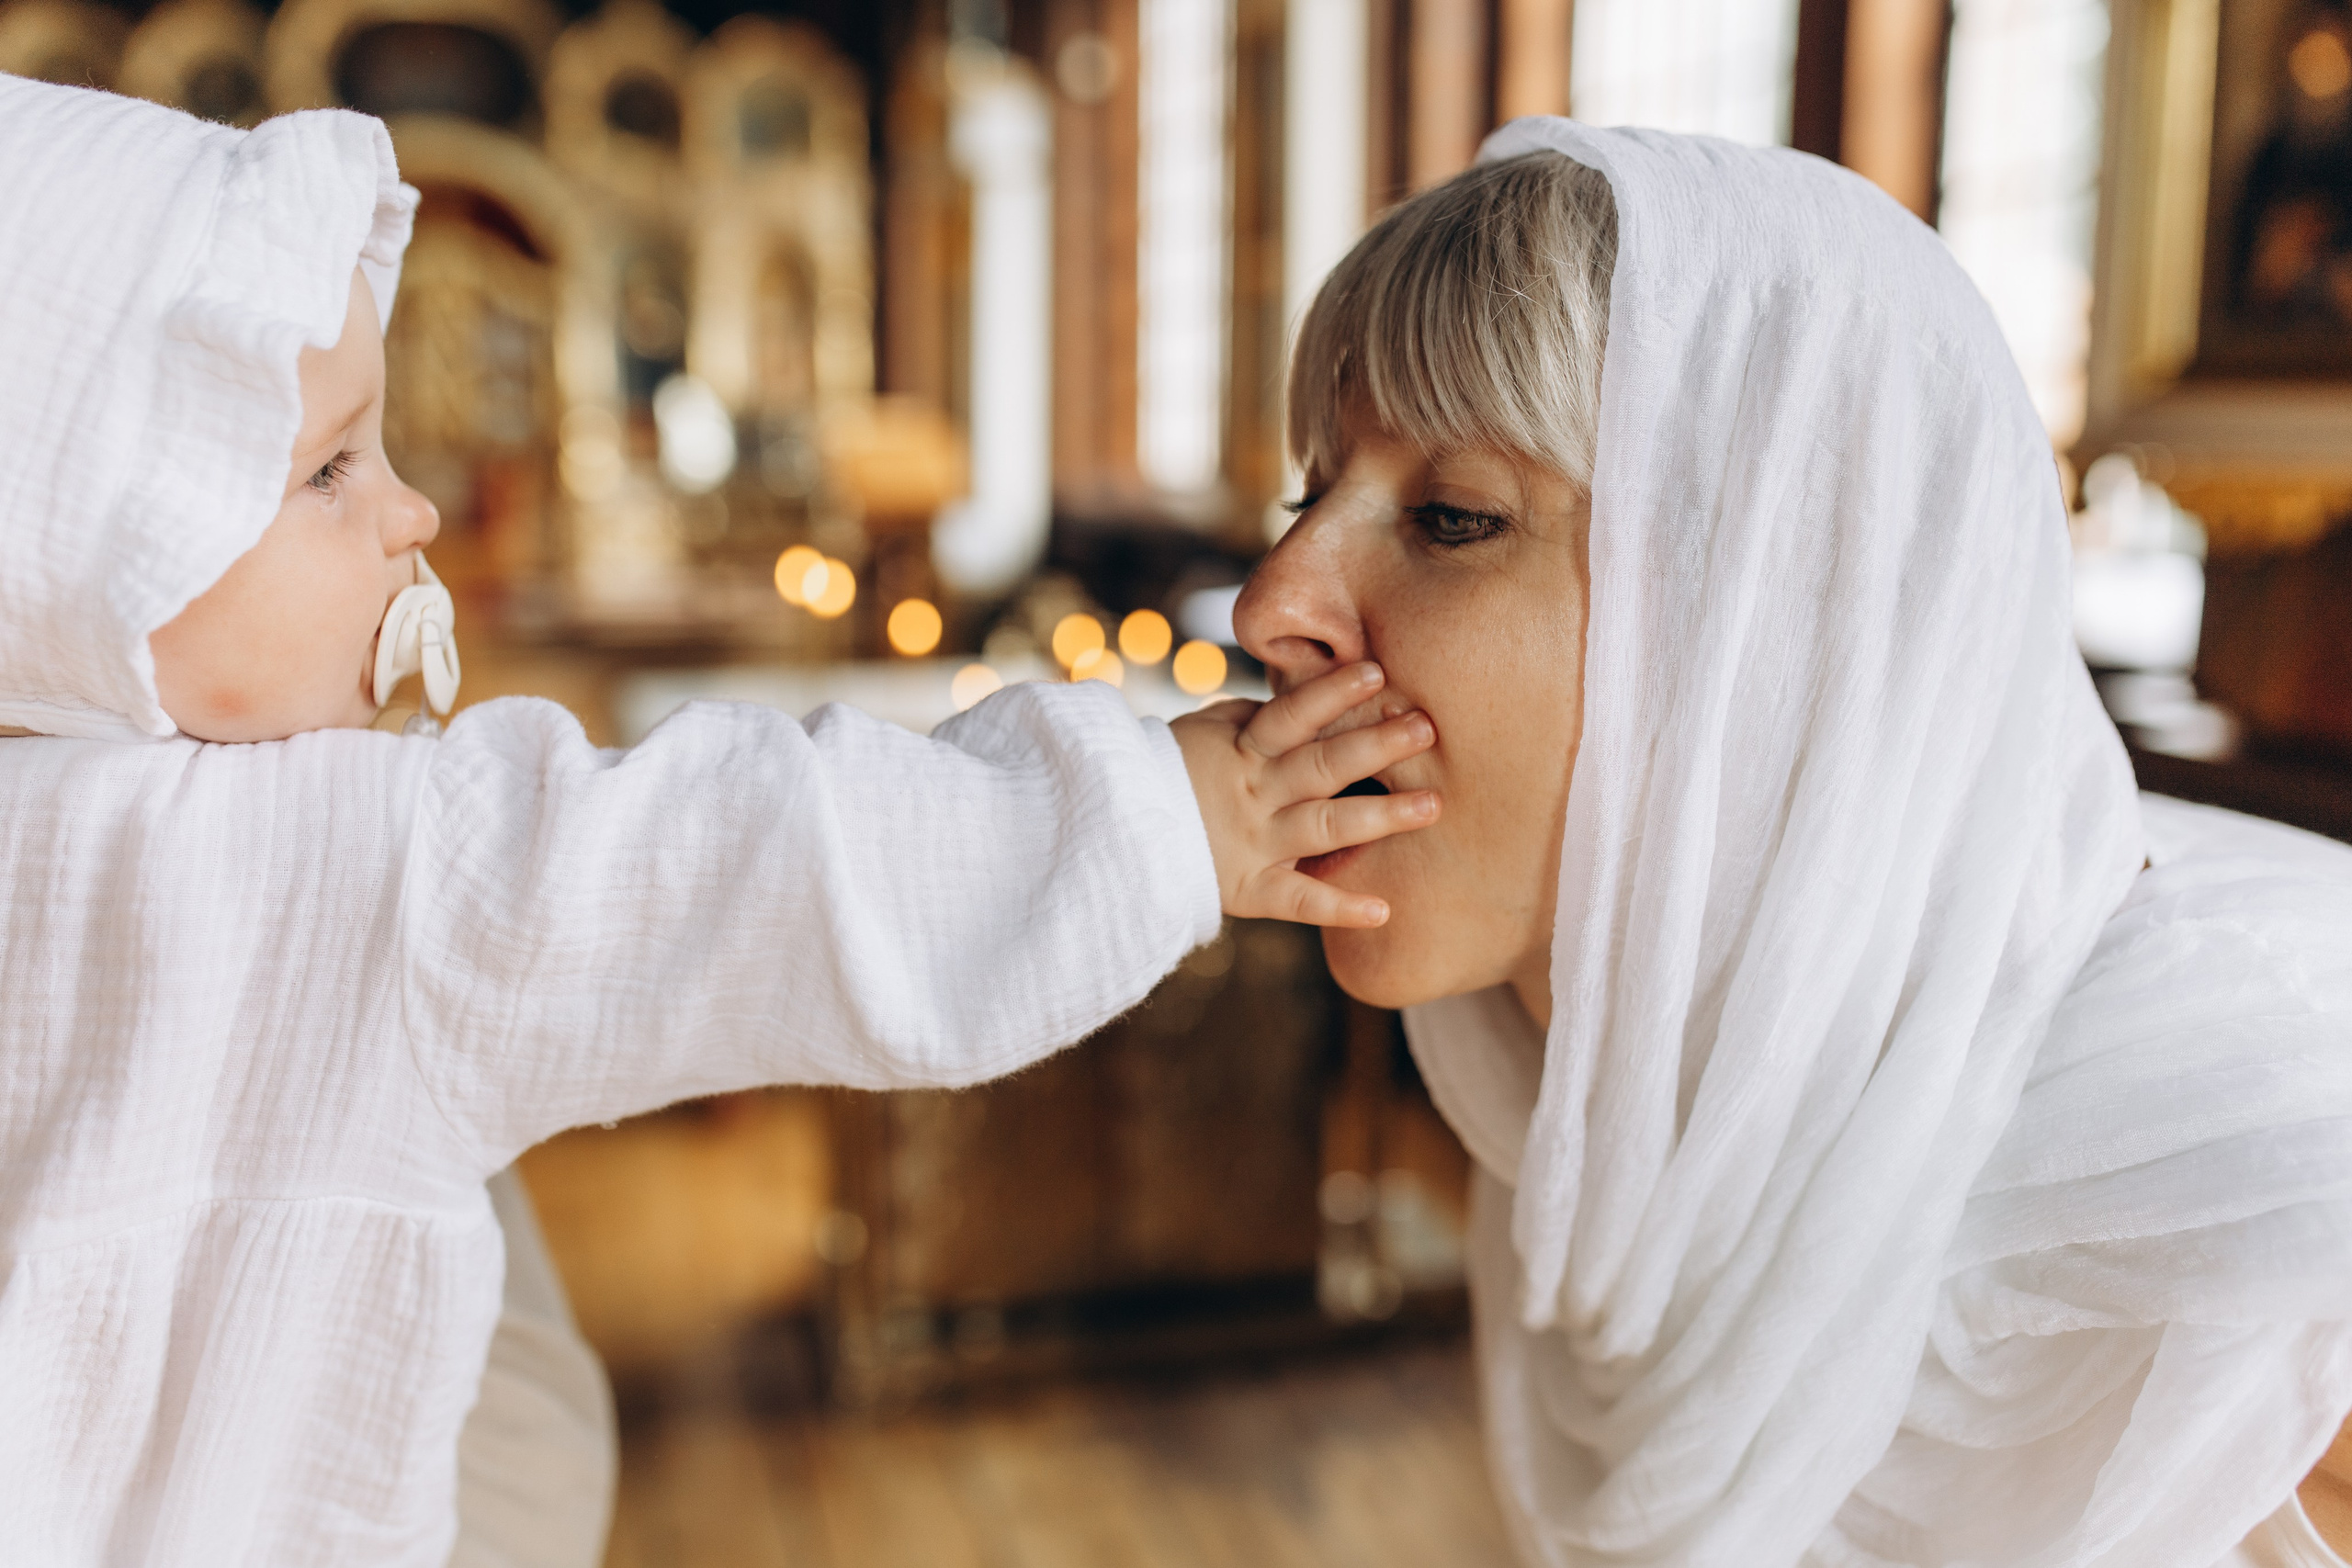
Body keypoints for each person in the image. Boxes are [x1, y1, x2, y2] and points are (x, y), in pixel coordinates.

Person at [0, 76, 1445, 1565]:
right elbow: (757, 869)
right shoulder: (345, 864)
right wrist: (1172, 806)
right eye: (328, 467)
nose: (408, 511)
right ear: (92, 560)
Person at [1241, 119, 2352, 1568]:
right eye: (1306, 496)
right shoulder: (1605, 1118)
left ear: (1770, 631)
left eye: (1452, 516)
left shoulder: (2273, 1251)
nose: (1274, 600)